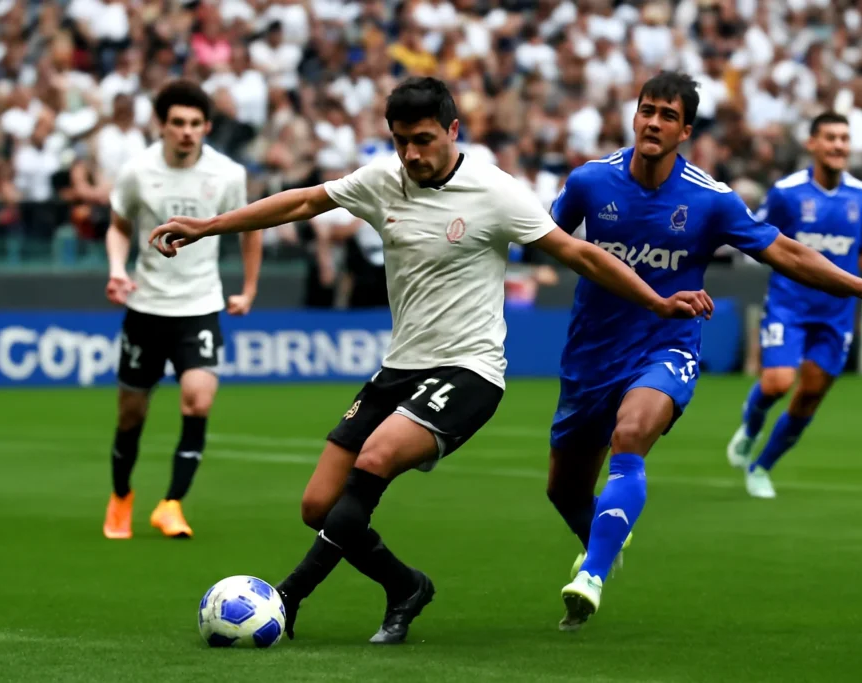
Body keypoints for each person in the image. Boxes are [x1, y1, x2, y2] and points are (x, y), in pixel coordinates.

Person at [147, 77, 713, 644]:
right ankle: (405, 586)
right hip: (399, 368)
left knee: (374, 459)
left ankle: (288, 597)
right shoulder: (381, 180)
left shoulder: (495, 192)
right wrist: (209, 227)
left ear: (452, 131)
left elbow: (577, 252)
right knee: (319, 504)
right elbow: (305, 201)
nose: (412, 154)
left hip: (470, 371)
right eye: (400, 141)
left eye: (423, 140)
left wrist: (656, 300)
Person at [545, 72, 862, 631]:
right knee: (564, 488)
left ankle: (590, 576)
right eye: (647, 110)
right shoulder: (589, 183)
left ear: (685, 130)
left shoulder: (710, 199)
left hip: (666, 346)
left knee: (631, 436)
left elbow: (785, 251)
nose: (653, 122)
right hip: (591, 354)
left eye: (668, 115)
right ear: (634, 115)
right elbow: (541, 238)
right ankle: (604, 535)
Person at [102, 80, 262, 540]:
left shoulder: (228, 174)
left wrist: (248, 289)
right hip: (146, 306)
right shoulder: (137, 171)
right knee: (131, 414)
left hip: (199, 306)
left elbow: (251, 230)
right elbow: (118, 226)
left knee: (199, 399)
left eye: (195, 124)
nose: (187, 132)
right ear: (162, 126)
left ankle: (171, 504)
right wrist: (117, 267)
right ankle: (120, 497)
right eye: (178, 123)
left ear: (207, 126)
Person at [726, 113, 862, 498]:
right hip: (790, 305)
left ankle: (761, 467)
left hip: (837, 313)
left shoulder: (861, 194)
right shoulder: (787, 193)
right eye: (830, 137)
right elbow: (760, 237)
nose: (838, 145)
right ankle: (751, 427)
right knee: (778, 381)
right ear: (812, 144)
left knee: (811, 393)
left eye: (844, 138)